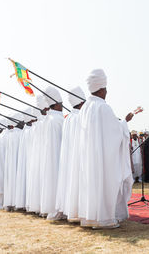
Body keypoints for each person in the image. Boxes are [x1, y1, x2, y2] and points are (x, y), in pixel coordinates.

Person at [78, 69, 134, 229]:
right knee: (105, 184)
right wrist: (125, 122)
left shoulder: (85, 108)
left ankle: (92, 217)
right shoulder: (103, 108)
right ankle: (105, 219)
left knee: (92, 185)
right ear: (102, 89)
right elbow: (115, 133)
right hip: (103, 158)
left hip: (90, 157)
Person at [56, 86, 86, 221]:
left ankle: (73, 211)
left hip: (70, 159)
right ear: (81, 102)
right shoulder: (80, 117)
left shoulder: (68, 118)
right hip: (80, 158)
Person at [40, 86, 65, 220]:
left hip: (50, 157)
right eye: (61, 104)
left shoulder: (48, 120)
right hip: (58, 156)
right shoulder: (58, 119)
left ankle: (53, 210)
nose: (62, 107)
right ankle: (58, 209)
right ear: (55, 105)